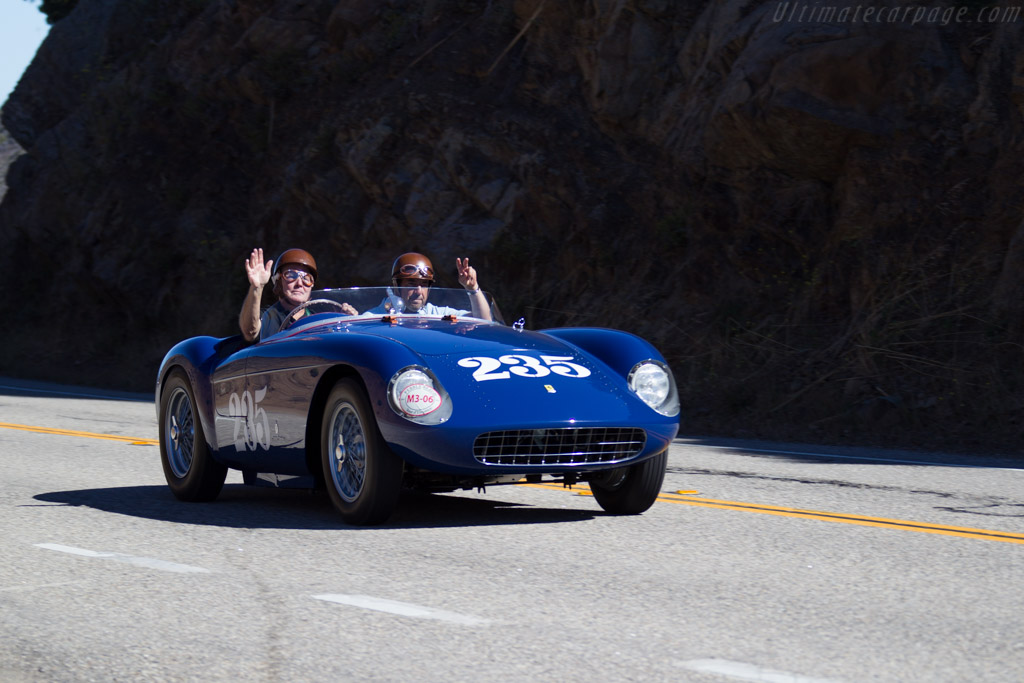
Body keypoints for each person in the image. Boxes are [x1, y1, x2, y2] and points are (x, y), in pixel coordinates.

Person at [371, 252, 492, 321]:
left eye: (424, 285)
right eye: (411, 284)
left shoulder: (436, 314)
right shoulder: (373, 318)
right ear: (396, 286)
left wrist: (473, 288)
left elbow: (483, 321)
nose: (418, 291)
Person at [239, 247, 320, 342]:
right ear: (278, 282)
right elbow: (250, 331)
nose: (299, 283)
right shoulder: (268, 317)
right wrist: (257, 287)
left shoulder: (318, 319)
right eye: (291, 275)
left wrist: (342, 319)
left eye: (306, 278)